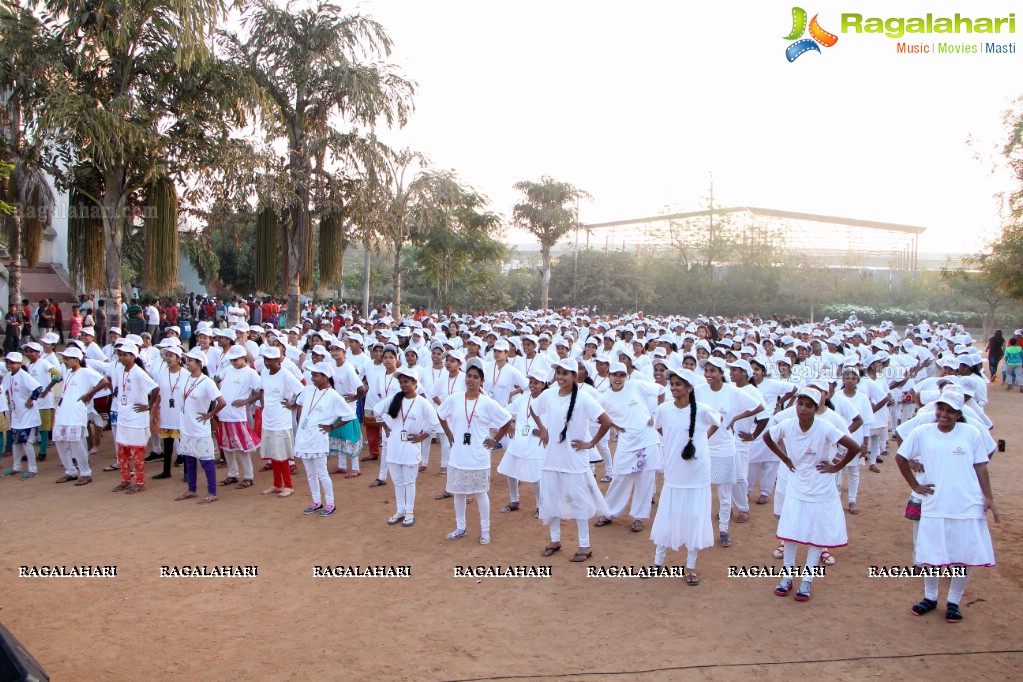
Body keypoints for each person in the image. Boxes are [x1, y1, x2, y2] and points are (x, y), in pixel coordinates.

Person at [895, 386, 998, 623]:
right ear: (935, 408)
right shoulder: (922, 432)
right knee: (932, 552)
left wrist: (989, 497)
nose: (945, 414)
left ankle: (954, 601)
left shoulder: (971, 433)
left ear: (959, 412)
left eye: (951, 410)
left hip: (967, 503)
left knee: (962, 554)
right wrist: (915, 486)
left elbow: (981, 465)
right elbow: (901, 457)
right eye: (941, 408)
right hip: (934, 502)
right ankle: (930, 597)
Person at [762, 387, 861, 601]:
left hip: (821, 486)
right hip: (797, 484)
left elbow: (854, 447)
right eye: (800, 404)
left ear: (816, 409)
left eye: (809, 406)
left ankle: (807, 579)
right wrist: (785, 458)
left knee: (816, 534)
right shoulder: (787, 425)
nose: (803, 409)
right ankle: (787, 576)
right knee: (791, 530)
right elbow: (767, 437)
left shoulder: (825, 427)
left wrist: (836, 467)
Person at [532, 358, 614, 562]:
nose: (560, 377)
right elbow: (534, 409)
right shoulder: (549, 394)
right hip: (552, 456)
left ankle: (584, 545)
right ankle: (555, 540)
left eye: (565, 373)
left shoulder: (584, 398)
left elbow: (606, 422)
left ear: (574, 376)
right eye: (558, 372)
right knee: (550, 497)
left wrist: (590, 442)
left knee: (579, 501)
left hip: (574, 458)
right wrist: (543, 430)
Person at [649, 367, 722, 585]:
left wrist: (700, 441)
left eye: (678, 384)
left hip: (697, 472)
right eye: (671, 384)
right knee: (668, 513)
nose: (673, 388)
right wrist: (675, 444)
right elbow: (661, 429)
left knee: (694, 516)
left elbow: (718, 422)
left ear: (689, 388)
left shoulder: (703, 410)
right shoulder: (663, 409)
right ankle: (657, 563)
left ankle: (690, 567)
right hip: (674, 470)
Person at [436, 359, 513, 544]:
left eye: (475, 377)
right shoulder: (455, 398)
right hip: (458, 455)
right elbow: (440, 413)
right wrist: (448, 432)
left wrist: (495, 440)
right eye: (469, 376)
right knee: (458, 492)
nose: (471, 380)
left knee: (480, 493)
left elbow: (507, 420)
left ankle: (485, 530)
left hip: (479, 456)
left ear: (481, 381)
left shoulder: (487, 403)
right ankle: (460, 527)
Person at [594, 361, 662, 532]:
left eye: (621, 375)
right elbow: (599, 417)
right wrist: (615, 425)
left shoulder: (636, 386)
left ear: (626, 376)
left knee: (645, 480)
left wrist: (656, 414)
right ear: (609, 375)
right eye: (615, 375)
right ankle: (609, 512)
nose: (618, 378)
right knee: (619, 477)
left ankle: (639, 517)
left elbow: (661, 390)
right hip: (626, 441)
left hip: (647, 439)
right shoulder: (603, 398)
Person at [289, 362, 356, 517]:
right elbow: (299, 404)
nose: (313, 378)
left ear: (326, 377)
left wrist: (332, 427)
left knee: (322, 472)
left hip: (318, 438)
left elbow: (349, 415)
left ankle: (330, 503)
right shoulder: (308, 390)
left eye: (316, 375)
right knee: (310, 473)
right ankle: (316, 501)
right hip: (304, 437)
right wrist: (301, 421)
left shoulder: (333, 395)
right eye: (312, 374)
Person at [376, 367, 440, 527]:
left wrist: (422, 436)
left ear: (415, 383)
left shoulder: (422, 403)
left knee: (409, 481)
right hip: (394, 445)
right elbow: (376, 411)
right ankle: (400, 510)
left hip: (411, 446)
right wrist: (387, 428)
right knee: (397, 481)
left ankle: (409, 511)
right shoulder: (395, 399)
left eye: (406, 382)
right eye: (401, 382)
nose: (403, 385)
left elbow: (435, 423)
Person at [174, 349, 226, 504]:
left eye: (190, 360)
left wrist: (210, 414)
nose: (187, 363)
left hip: (199, 427)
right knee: (189, 459)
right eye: (187, 360)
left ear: (199, 363)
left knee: (206, 461)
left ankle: (212, 492)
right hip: (186, 426)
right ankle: (191, 489)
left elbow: (222, 401)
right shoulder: (186, 378)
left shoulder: (207, 382)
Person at [51, 347, 109, 485]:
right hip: (64, 411)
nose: (65, 361)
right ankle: (70, 471)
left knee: (77, 444)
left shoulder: (85, 372)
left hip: (76, 413)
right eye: (64, 358)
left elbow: (104, 381)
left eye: (67, 359)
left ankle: (85, 472)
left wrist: (89, 394)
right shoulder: (69, 372)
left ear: (77, 359)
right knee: (61, 443)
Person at [497, 367, 550, 515]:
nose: (533, 385)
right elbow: (506, 412)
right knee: (511, 470)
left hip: (535, 442)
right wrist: (510, 425)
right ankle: (514, 500)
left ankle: (541, 506)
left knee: (536, 475)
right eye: (531, 382)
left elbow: (556, 420)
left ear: (543, 385)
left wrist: (545, 431)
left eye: (537, 383)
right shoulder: (522, 399)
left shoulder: (548, 400)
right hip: (519, 440)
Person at [252, 346, 303, 497]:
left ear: (278, 360)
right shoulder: (264, 373)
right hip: (268, 418)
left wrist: (293, 405)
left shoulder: (286, 375)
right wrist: (263, 403)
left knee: (281, 455)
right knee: (273, 454)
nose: (267, 362)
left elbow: (301, 391)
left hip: (282, 420)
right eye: (265, 359)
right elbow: (262, 389)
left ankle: (288, 485)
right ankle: (277, 484)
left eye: (270, 360)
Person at [110, 342, 160, 494]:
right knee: (122, 450)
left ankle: (140, 481)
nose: (122, 358)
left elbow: (156, 388)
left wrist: (149, 406)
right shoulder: (119, 370)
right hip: (124, 415)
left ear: (133, 356)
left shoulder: (138, 372)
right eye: (120, 355)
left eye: (125, 355)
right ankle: (125, 479)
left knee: (137, 451)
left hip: (137, 418)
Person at [215, 345, 262, 489]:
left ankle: (249, 476)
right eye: (232, 360)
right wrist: (219, 395)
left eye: (236, 360)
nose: (234, 363)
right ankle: (233, 473)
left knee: (242, 448)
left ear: (243, 358)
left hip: (237, 415)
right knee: (227, 447)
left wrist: (246, 401)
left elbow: (261, 390)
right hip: (224, 413)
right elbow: (216, 379)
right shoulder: (228, 370)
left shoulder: (250, 373)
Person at [0, 352, 43, 478]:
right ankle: (16, 467)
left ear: (20, 363)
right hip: (17, 415)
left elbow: (38, 388)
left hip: (28, 415)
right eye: (8, 363)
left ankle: (33, 469)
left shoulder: (24, 376)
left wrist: (30, 400)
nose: (9, 365)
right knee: (15, 443)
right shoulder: (8, 376)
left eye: (12, 363)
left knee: (27, 443)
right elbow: (4, 389)